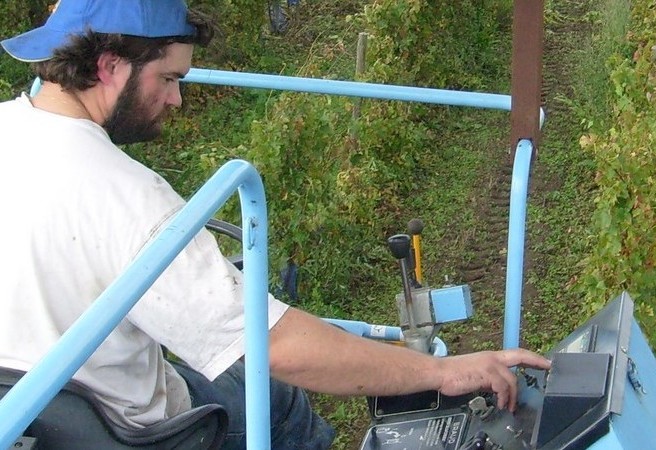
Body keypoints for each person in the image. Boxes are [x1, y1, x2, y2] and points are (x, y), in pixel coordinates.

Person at [0, 1, 551, 449]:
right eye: (168, 78)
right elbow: (276, 345)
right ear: (109, 66)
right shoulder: (127, 200)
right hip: (135, 434)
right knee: (279, 399)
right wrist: (440, 372)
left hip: (32, 416)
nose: (176, 99)